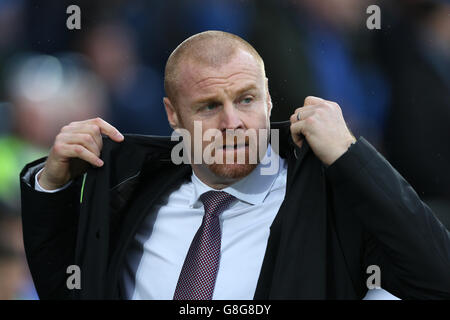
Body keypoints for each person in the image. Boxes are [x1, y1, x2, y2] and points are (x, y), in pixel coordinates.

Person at [20, 31, 450, 300]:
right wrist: (51, 187)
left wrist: (353, 156)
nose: (231, 123)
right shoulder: (130, 194)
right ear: (173, 115)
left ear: (267, 99)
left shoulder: (331, 207)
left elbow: (438, 278)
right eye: (208, 106)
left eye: (245, 99)